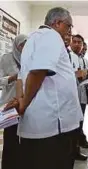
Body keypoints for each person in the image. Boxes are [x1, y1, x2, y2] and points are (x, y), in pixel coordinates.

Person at [10, 7, 83, 169]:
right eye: (69, 26)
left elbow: (21, 79)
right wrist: (24, 103)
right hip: (53, 125)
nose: (70, 31)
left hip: (41, 124)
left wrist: (21, 100)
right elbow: (37, 72)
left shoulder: (33, 41)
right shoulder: (50, 36)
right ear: (57, 23)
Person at [0, 34, 27, 169]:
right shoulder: (6, 58)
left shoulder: (30, 58)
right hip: (10, 104)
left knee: (22, 140)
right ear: (16, 45)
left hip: (25, 103)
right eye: (22, 44)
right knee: (10, 139)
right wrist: (13, 78)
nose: (24, 47)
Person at [70, 34, 88, 160]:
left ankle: (76, 150)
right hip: (71, 97)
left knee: (79, 124)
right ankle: (71, 152)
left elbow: (86, 74)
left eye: (80, 42)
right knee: (72, 126)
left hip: (82, 96)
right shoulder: (67, 56)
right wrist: (76, 74)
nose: (77, 44)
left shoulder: (84, 60)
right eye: (75, 42)